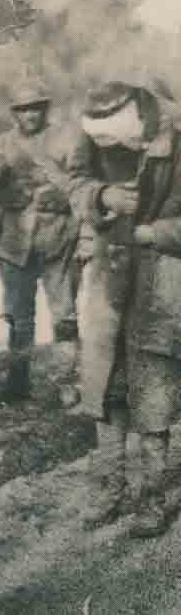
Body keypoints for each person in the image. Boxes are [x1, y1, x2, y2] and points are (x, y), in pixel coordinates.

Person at [69, 77, 181, 538]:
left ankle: (153, 494)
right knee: (104, 378)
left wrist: (156, 233)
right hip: (109, 271)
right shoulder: (93, 126)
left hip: (164, 272)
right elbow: (75, 182)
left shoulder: (176, 132)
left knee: (153, 380)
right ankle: (109, 484)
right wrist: (101, 196)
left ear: (139, 118)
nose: (113, 150)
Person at [0, 76, 80, 403]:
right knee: (18, 317)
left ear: (45, 109)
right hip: (14, 245)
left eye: (36, 108)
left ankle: (67, 381)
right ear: (14, 113)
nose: (30, 115)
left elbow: (82, 188)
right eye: (23, 109)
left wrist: (54, 191)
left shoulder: (66, 140)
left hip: (57, 241)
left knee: (64, 315)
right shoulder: (0, 145)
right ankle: (18, 381)